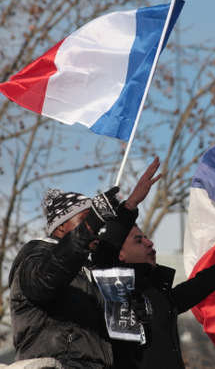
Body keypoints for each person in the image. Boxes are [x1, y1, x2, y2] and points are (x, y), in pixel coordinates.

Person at [9, 158, 161, 369]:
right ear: (61, 227)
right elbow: (45, 280)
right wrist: (91, 224)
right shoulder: (35, 255)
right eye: (87, 219)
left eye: (97, 222)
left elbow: (109, 245)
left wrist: (130, 205)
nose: (96, 227)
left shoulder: (89, 270)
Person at [101, 224, 215, 369]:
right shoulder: (108, 298)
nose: (149, 243)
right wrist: (129, 206)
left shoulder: (156, 294)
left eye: (146, 237)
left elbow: (187, 293)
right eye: (138, 241)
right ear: (120, 254)